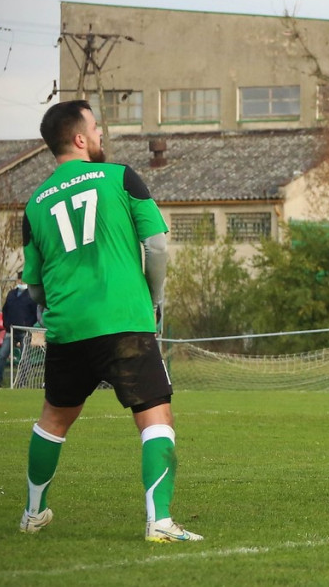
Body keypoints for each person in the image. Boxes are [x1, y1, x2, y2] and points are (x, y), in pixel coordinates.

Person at [17, 100, 202, 542]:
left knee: (53, 420)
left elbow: (35, 287)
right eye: (96, 127)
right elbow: (156, 245)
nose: (101, 134)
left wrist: (62, 305)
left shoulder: (35, 204)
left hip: (67, 328)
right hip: (123, 321)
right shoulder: (120, 176)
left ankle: (32, 514)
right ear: (80, 138)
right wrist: (154, 299)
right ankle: (159, 522)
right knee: (156, 417)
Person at [0, 273, 39, 388]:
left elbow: (35, 313)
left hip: (24, 331)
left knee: (24, 358)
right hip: (10, 330)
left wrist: (28, 325)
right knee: (2, 355)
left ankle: (22, 382)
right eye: (19, 280)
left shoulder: (31, 295)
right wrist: (6, 324)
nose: (21, 282)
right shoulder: (11, 294)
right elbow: (5, 310)